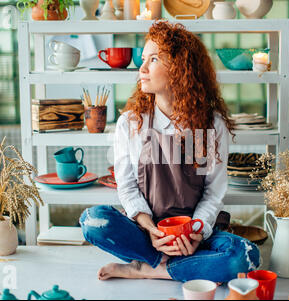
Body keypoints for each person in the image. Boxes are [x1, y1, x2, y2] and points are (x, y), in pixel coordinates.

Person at [79, 21, 260, 283]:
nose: (141, 69)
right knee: (92, 221)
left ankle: (153, 268)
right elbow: (127, 187)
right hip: (147, 232)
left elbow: (214, 192)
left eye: (153, 59)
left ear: (179, 68)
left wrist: (195, 231)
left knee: (245, 256)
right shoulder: (131, 123)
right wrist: (151, 229)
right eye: (143, 59)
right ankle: (174, 264)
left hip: (194, 233)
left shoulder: (211, 125)